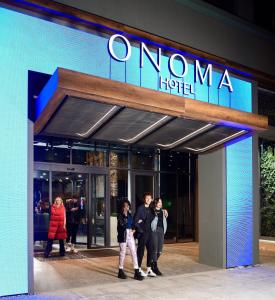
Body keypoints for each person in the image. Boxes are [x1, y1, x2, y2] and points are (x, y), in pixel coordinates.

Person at [117, 200, 143, 281]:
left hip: (130, 234)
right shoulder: (120, 215)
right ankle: (120, 271)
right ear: (122, 207)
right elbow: (122, 225)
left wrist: (134, 229)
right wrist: (125, 216)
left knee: (134, 252)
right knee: (123, 253)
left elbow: (132, 224)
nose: (126, 207)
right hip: (123, 235)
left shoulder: (130, 215)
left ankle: (136, 271)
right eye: (125, 206)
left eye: (127, 206)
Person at [134, 192, 156, 277]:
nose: (148, 200)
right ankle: (138, 268)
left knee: (151, 250)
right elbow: (135, 221)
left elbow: (157, 213)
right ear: (144, 199)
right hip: (143, 233)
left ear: (151, 199)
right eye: (147, 198)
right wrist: (140, 230)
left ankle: (148, 269)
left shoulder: (151, 208)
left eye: (150, 198)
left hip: (150, 233)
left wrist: (164, 211)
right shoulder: (140, 208)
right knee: (141, 252)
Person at [151, 197, 168, 276]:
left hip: (161, 230)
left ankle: (152, 263)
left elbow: (165, 218)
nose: (160, 203)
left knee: (159, 251)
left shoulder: (163, 211)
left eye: (161, 202)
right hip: (154, 231)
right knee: (155, 249)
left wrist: (165, 212)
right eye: (158, 202)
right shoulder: (152, 211)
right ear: (155, 203)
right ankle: (155, 267)